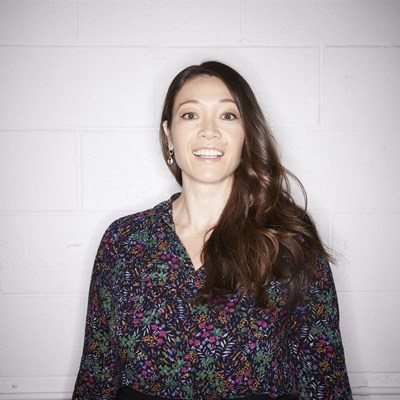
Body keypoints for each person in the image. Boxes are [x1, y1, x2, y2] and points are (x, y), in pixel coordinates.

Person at [72, 61, 352, 400]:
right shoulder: (124, 241)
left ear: (247, 133)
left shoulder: (289, 241)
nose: (209, 131)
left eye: (228, 115)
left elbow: (324, 379)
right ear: (168, 134)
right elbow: (97, 372)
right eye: (190, 115)